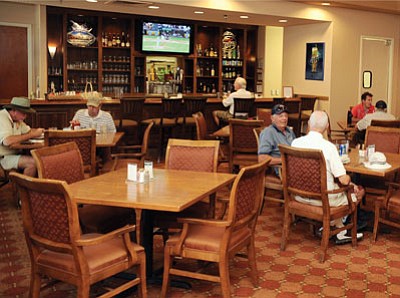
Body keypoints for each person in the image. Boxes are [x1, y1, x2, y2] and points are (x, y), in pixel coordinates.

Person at [291, 110, 364, 244]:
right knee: (356, 191)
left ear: (308, 124)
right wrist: (350, 180)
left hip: (299, 196)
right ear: (326, 127)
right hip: (323, 201)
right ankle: (340, 230)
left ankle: (334, 227)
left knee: (341, 187)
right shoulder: (328, 147)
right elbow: (343, 180)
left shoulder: (295, 143)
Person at [0, 97, 44, 177]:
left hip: (15, 154)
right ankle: (23, 189)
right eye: (23, 113)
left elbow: (29, 131)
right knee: (33, 163)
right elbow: (7, 141)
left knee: (41, 159)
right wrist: (32, 135)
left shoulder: (17, 120)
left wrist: (41, 132)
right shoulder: (2, 118)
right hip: (3, 158)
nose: (25, 116)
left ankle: (26, 187)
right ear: (14, 111)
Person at [258, 104, 296, 173]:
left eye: (286, 116)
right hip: (282, 169)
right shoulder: (268, 132)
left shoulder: (289, 131)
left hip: (294, 165)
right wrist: (284, 160)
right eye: (280, 116)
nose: (284, 118)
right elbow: (261, 158)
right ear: (272, 118)